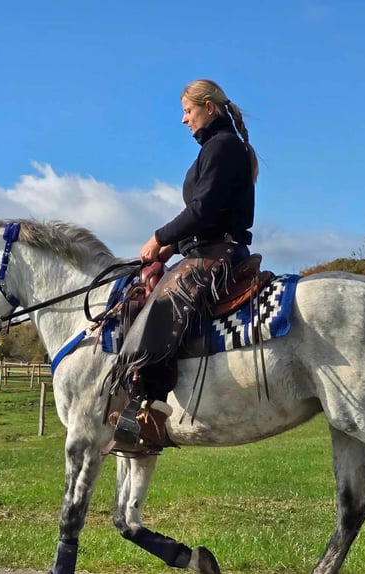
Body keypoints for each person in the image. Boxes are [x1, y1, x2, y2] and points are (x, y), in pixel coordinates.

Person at [110, 78, 259, 451]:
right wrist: (171, 246)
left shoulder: (223, 147)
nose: (183, 120)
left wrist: (159, 237)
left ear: (209, 107)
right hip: (204, 248)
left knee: (159, 308)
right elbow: (207, 215)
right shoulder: (218, 147)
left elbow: (203, 209)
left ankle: (153, 415)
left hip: (217, 253)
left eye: (187, 111)